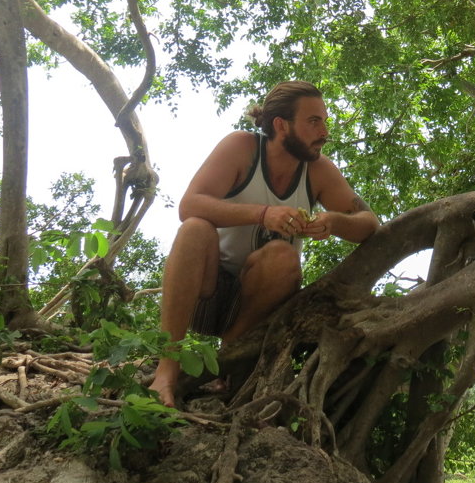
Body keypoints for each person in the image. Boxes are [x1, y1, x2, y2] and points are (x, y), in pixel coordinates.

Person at [148, 80, 379, 407]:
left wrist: (335, 221)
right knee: (195, 229)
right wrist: (263, 213)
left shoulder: (320, 171)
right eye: (314, 121)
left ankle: (226, 364)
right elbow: (190, 205)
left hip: (255, 312)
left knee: (283, 257)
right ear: (281, 125)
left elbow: (370, 223)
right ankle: (165, 373)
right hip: (207, 293)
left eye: (325, 121)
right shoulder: (242, 147)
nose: (324, 131)